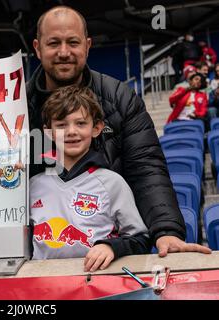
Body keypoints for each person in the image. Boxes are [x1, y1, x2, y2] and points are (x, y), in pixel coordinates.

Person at [27, 5, 211, 257]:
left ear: (87, 45)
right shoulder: (18, 106)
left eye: (73, 42)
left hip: (112, 253)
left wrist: (165, 230)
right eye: (53, 43)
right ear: (37, 48)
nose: (64, 52)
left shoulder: (120, 97)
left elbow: (146, 167)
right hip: (43, 261)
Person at [31, 86, 151, 271]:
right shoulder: (33, 185)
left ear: (96, 128)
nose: (71, 131)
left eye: (80, 123)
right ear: (49, 132)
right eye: (61, 125)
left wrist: (112, 247)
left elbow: (140, 240)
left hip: (95, 285)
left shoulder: (112, 183)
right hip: (44, 286)